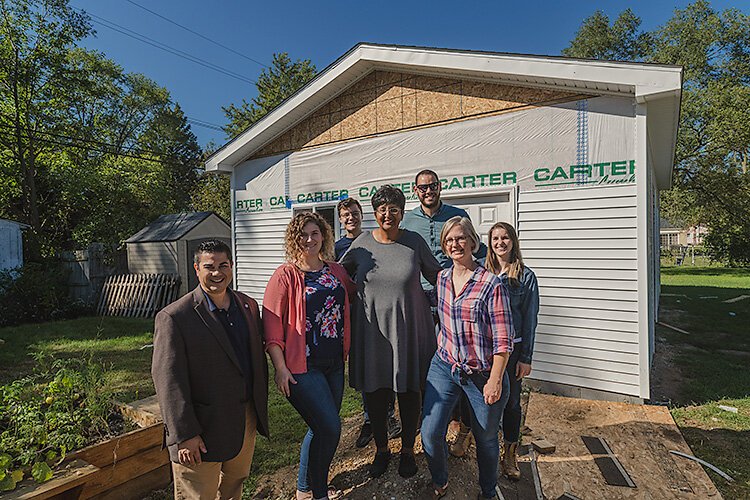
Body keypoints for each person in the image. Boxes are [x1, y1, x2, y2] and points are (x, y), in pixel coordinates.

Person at [151, 239, 269, 500]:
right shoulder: (174, 317)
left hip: (243, 419)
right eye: (209, 266)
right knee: (198, 494)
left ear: (232, 266)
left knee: (234, 484)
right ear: (196, 269)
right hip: (200, 427)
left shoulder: (247, 306)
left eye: (223, 265)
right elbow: (168, 380)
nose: (217, 273)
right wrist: (185, 434)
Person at [341, 185, 442, 479]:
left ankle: (408, 449)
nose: (388, 214)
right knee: (375, 391)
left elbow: (439, 276)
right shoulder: (360, 244)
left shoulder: (414, 242)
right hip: (371, 333)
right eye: (382, 209)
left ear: (401, 212)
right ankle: (382, 450)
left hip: (409, 331)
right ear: (375, 213)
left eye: (394, 208)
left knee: (408, 391)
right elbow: (338, 275)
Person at [263, 212, 355, 500]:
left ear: (324, 236)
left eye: (315, 233)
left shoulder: (336, 271)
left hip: (334, 364)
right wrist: (280, 368)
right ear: (294, 238)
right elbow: (272, 327)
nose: (309, 239)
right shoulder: (285, 275)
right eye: (303, 234)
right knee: (329, 427)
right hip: (302, 367)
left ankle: (304, 490)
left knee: (319, 426)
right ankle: (318, 494)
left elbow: (358, 294)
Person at [420, 216, 514, 500]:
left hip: (482, 373)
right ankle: (440, 480)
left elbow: (503, 340)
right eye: (449, 240)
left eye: (460, 238)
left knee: (486, 438)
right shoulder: (442, 278)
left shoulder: (491, 285)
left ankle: (487, 489)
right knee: (430, 432)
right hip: (445, 364)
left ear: (473, 242)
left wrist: (495, 380)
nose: (455, 244)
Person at [401, 168, 487, 455]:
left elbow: (478, 248)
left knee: (459, 356)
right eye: (422, 187)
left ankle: (461, 423)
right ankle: (432, 415)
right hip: (419, 296)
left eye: (432, 186)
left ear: (439, 187)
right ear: (416, 190)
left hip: (453, 294)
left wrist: (487, 276)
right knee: (431, 359)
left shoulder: (456, 214)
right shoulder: (408, 220)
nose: (428, 191)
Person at [334, 197, 401, 448]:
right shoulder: (338, 247)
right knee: (364, 365)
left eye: (354, 213)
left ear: (362, 215)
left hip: (378, 310)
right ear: (340, 220)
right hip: (353, 311)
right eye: (345, 215)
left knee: (387, 361)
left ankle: (390, 415)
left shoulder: (374, 240)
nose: (350, 218)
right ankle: (369, 419)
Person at [485, 222, 539, 481]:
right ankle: (482, 444)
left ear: (513, 241)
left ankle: (510, 453)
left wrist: (526, 357)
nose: (500, 242)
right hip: (484, 349)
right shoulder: (483, 273)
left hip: (512, 351)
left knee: (512, 403)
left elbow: (530, 319)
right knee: (482, 398)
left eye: (505, 237)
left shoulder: (526, 276)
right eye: (495, 238)